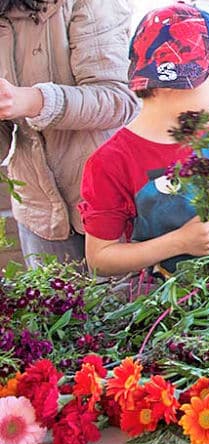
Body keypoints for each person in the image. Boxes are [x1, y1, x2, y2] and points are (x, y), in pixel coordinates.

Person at [78, 3, 209, 276]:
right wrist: (177, 243)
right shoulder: (111, 162)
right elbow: (100, 258)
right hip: (163, 307)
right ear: (169, 78)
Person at [0, 0, 138, 267]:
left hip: (107, 202)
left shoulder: (90, 4)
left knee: (118, 306)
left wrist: (34, 101)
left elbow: (119, 99)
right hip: (40, 214)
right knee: (49, 307)